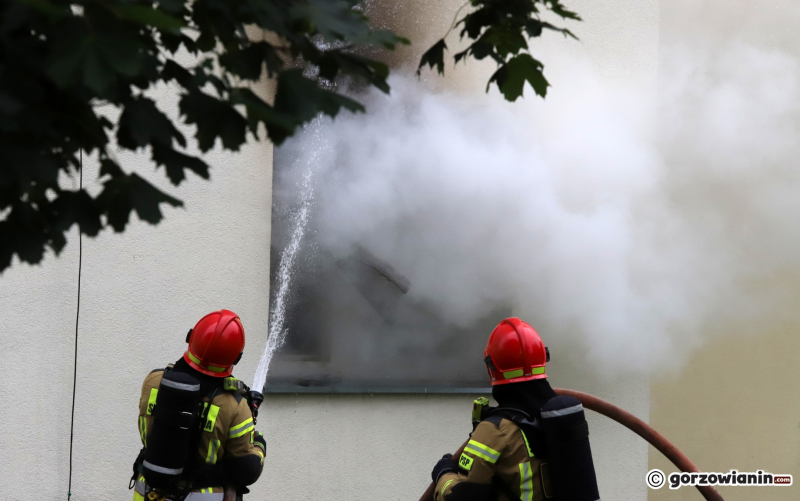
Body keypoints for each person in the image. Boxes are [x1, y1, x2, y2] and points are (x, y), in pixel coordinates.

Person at [132, 309, 266, 501]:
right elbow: (245, 472)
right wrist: (259, 445)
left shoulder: (153, 382)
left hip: (147, 492)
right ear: (234, 357)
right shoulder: (235, 407)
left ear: (192, 338)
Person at [431, 318, 557, 501]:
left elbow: (463, 497)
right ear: (542, 358)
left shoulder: (496, 430)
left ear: (492, 367)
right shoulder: (559, 416)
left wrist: (443, 474)